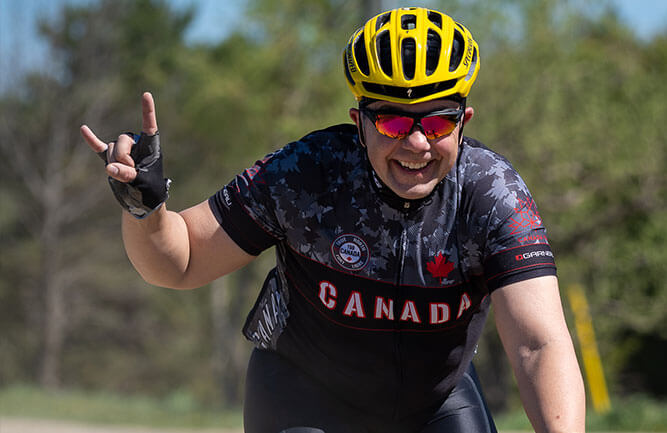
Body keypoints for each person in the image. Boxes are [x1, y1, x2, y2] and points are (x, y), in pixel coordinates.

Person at [81, 7, 585, 433]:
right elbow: (181, 263)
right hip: (304, 393)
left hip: (435, 401)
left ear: (463, 122)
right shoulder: (307, 173)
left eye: (435, 122)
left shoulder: (491, 193)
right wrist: (145, 211)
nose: (416, 144)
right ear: (358, 121)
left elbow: (539, 344)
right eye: (391, 119)